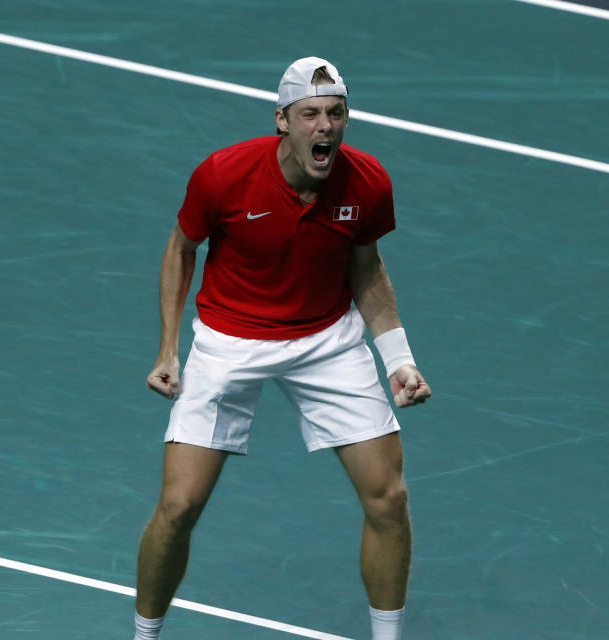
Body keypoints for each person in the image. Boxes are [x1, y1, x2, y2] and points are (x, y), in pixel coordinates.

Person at [132, 57, 431, 640]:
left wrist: (398, 358)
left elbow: (366, 268)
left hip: (327, 341)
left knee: (389, 498)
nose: (325, 126)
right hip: (228, 342)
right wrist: (168, 350)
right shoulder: (223, 175)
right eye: (311, 114)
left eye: (336, 114)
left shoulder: (367, 182)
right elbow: (181, 248)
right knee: (178, 508)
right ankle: (144, 636)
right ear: (283, 121)